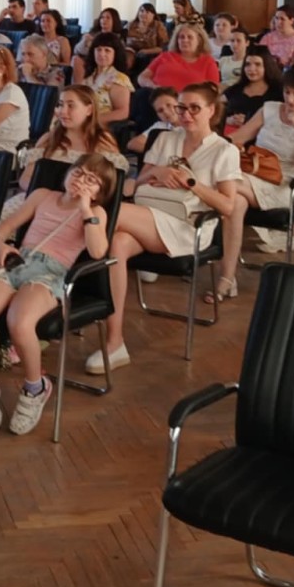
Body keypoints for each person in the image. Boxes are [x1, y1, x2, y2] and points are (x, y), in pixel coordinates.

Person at [0, 156, 115, 434]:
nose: (81, 180)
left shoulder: (95, 213)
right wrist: (0, 246)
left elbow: (97, 251)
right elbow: (3, 228)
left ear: (99, 192)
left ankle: (35, 388)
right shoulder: (43, 195)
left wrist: (84, 208)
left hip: (50, 273)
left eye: (91, 180)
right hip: (19, 262)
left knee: (19, 324)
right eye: (78, 172)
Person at [98, 83, 242, 371]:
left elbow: (228, 207)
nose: (186, 114)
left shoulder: (224, 150)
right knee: (116, 245)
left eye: (194, 108)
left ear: (211, 111)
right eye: (182, 108)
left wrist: (192, 183)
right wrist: (158, 171)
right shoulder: (165, 139)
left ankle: (65, 280)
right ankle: (115, 343)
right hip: (150, 214)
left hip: (189, 227)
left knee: (105, 215)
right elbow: (138, 182)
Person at [229, 65, 294, 258]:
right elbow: (238, 137)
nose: (289, 99)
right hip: (256, 170)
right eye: (287, 92)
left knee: (227, 182)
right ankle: (227, 259)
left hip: (285, 184)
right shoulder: (269, 109)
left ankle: (203, 237)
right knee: (236, 199)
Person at [17, 85, 122, 193]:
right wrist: (46, 194)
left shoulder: (103, 141)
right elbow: (25, 178)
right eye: (61, 105)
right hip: (43, 196)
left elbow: (112, 185)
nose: (63, 111)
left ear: (89, 110)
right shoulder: (49, 139)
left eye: (71, 106)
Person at [139, 23, 220, 90]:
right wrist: (152, 86)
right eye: (181, 37)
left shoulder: (208, 61)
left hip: (186, 101)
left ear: (199, 41)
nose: (185, 40)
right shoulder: (165, 56)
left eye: (190, 37)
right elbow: (142, 77)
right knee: (142, 94)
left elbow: (213, 90)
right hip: (157, 96)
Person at [223, 46, 282, 129]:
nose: (251, 69)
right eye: (247, 64)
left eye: (257, 64)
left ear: (267, 66)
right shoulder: (236, 89)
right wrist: (227, 120)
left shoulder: (278, 92)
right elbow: (215, 107)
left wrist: (249, 122)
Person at [84, 32, 133, 125]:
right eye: (98, 50)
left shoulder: (119, 78)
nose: (102, 54)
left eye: (107, 50)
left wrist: (91, 121)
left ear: (115, 54)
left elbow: (123, 112)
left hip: (100, 126)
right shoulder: (88, 78)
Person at [72, 9, 125, 83]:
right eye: (102, 17)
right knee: (76, 59)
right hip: (90, 61)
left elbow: (119, 55)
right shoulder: (92, 34)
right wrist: (84, 41)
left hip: (107, 63)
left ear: (114, 21)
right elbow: (77, 51)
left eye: (108, 18)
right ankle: (78, 88)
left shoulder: (118, 37)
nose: (104, 20)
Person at [127, 87, 180, 156]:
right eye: (160, 110)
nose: (166, 112)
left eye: (169, 105)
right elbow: (132, 144)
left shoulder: (191, 124)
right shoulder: (160, 126)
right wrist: (161, 152)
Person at [260, 6, 294, 70]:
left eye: (282, 19)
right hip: (271, 70)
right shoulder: (267, 38)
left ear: (291, 20)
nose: (278, 22)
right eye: (276, 18)